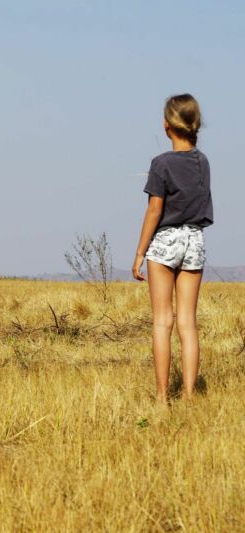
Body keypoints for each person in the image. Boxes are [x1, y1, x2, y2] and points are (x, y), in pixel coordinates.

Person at [132, 94, 213, 403]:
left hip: (165, 240)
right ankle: (191, 396)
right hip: (194, 238)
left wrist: (140, 252)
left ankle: (163, 397)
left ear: (167, 125)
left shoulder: (161, 163)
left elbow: (155, 210)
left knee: (162, 321)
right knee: (187, 323)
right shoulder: (202, 161)